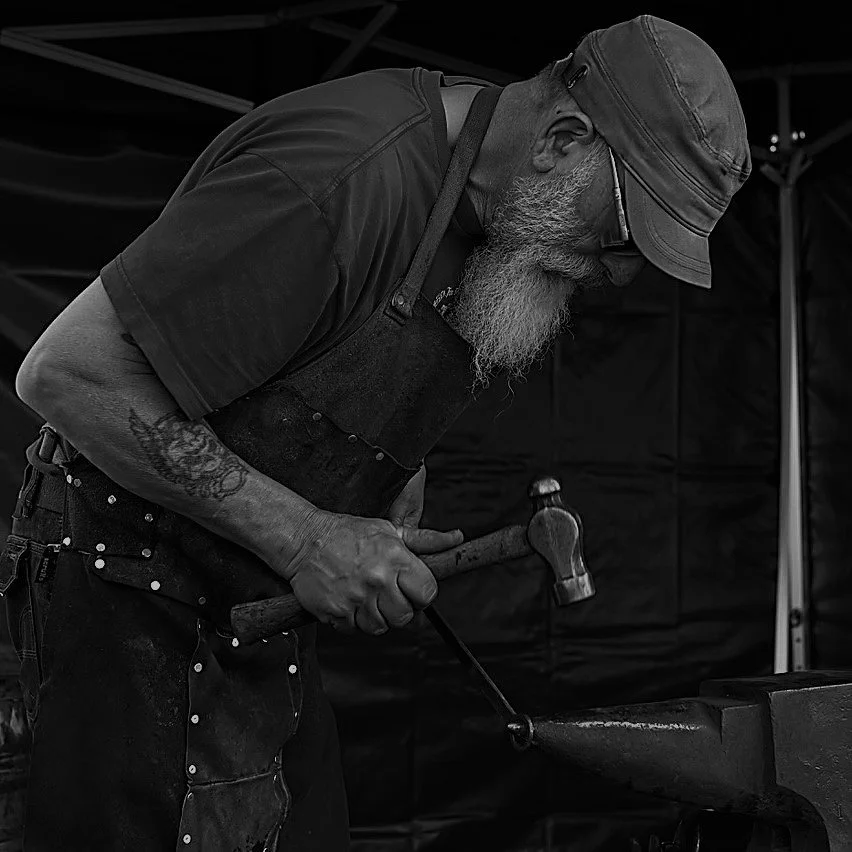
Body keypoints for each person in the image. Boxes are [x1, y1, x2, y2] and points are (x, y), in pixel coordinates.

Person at [2, 14, 750, 851]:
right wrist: (307, 538)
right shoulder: (338, 178)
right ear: (562, 140)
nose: (619, 273)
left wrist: (379, 479)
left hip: (249, 609)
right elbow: (71, 373)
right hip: (123, 599)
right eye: (625, 235)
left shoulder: (484, 205)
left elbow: (323, 359)